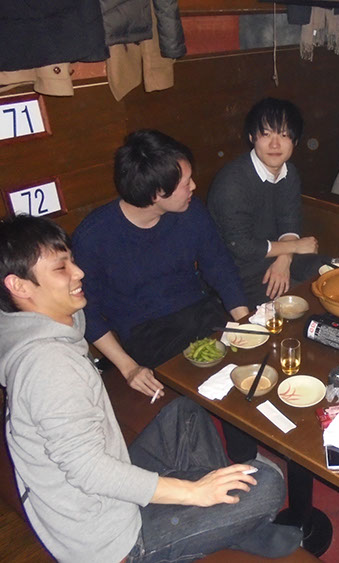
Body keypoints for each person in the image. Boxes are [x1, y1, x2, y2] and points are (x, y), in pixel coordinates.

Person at [0, 215, 301, 562]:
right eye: (61, 268)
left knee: (186, 412)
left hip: (99, 487)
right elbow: (88, 471)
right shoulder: (48, 366)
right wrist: (194, 493)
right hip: (108, 535)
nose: (78, 272)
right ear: (19, 286)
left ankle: (229, 522)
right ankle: (227, 523)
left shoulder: (33, 331)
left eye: (72, 261)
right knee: (268, 483)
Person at [72, 129, 256, 462]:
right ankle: (237, 465)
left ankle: (248, 457)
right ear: (157, 192)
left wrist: (245, 322)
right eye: (186, 182)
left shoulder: (191, 212)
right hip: (146, 331)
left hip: (198, 310)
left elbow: (219, 265)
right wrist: (129, 368)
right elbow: (86, 311)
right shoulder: (95, 236)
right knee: (217, 376)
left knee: (249, 361)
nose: (194, 187)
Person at [208, 98, 323, 307]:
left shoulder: (289, 173)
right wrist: (296, 246)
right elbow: (242, 247)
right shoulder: (232, 182)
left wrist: (286, 258)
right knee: (302, 302)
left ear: (296, 140)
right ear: (252, 137)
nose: (275, 144)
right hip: (239, 272)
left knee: (329, 274)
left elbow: (290, 223)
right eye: (266, 134)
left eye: (284, 135)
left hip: (277, 255)